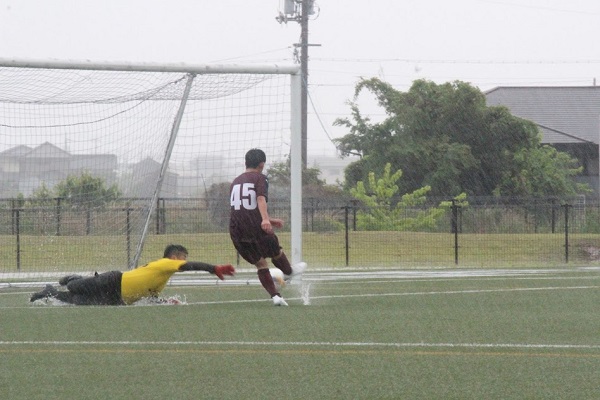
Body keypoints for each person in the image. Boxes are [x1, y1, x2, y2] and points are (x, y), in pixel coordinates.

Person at [30, 244, 235, 305]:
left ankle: (50, 292)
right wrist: (213, 268)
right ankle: (74, 278)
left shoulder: (163, 278)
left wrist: (165, 302)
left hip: (116, 298)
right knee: (74, 287)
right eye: (182, 258)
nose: (184, 261)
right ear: (173, 257)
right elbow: (192, 266)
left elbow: (149, 297)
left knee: (77, 301)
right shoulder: (164, 263)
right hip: (114, 281)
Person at [229, 148, 306, 306]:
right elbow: (260, 199)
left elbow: (244, 208)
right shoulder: (260, 178)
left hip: (236, 229)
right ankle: (289, 272)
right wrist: (265, 220)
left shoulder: (235, 181)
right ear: (262, 164)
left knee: (261, 264)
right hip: (254, 226)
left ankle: (275, 297)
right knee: (275, 250)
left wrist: (268, 219)